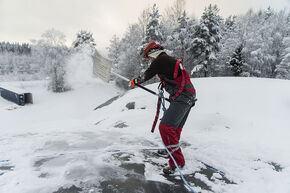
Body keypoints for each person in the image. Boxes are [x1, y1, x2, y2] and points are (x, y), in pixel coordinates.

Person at [128, 41, 196, 174]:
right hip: (187, 96)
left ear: (153, 52)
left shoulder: (161, 60)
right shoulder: (167, 60)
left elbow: (146, 75)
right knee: (174, 128)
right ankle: (170, 150)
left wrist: (134, 82)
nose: (150, 60)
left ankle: (177, 162)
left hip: (184, 97)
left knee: (166, 127)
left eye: (149, 57)